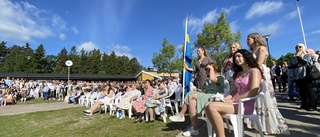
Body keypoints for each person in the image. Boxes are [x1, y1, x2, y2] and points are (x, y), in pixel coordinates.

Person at [205, 49, 263, 137]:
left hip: (245, 104)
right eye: (235, 57)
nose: (236, 58)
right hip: (235, 102)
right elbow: (233, 91)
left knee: (212, 106)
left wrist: (234, 99)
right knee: (207, 104)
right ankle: (217, 133)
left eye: (239, 56)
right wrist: (225, 98)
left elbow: (253, 91)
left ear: (246, 57)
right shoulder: (239, 73)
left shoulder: (254, 71)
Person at [247, 33, 289, 135]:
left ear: (255, 39)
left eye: (249, 39)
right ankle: (260, 124)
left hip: (260, 72)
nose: (247, 40)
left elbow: (259, 63)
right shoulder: (250, 51)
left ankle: (270, 126)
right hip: (252, 72)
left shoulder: (261, 48)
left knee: (264, 98)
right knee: (257, 100)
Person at [170, 62, 225, 136]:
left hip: (216, 97)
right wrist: (197, 91)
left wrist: (211, 67)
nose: (207, 71)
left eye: (208, 69)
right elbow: (206, 91)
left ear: (214, 69)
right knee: (191, 99)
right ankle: (194, 128)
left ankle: (181, 115)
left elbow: (213, 79)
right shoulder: (208, 81)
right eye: (206, 69)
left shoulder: (220, 78)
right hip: (208, 96)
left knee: (191, 96)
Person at [288, 43, 316, 111]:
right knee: (301, 91)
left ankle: (312, 105)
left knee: (308, 90)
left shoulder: (307, 55)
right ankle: (304, 104)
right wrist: (297, 64)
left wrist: (298, 57)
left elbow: (305, 62)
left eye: (300, 47)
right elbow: (290, 66)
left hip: (305, 75)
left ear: (303, 47)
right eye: (296, 47)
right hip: (297, 76)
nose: (298, 48)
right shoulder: (293, 57)